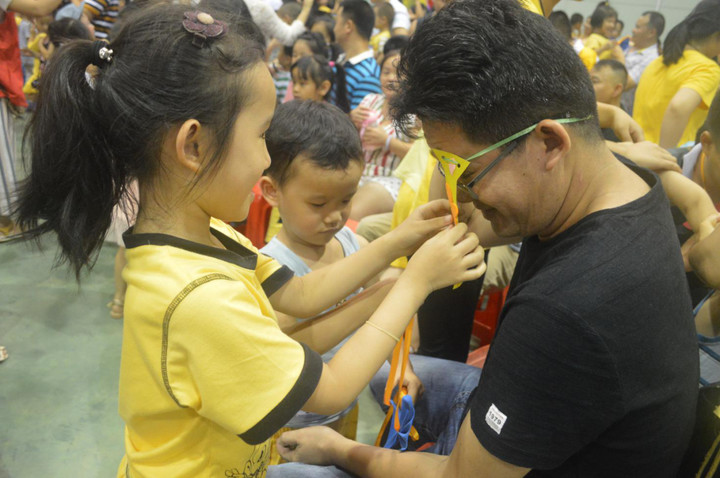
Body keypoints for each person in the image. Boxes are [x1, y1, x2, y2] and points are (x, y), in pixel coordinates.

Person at [12, 4, 484, 476]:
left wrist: (400, 244)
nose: (264, 161)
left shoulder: (202, 234)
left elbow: (301, 295)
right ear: (193, 145)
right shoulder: (198, 297)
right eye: (262, 136)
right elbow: (332, 388)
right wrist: (414, 285)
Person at [274, 0, 699, 476]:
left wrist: (338, 450)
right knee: (381, 377)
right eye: (443, 165)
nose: (459, 193)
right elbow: (457, 226)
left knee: (288, 471)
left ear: (550, 143)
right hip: (552, 420)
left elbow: (462, 475)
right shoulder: (618, 177)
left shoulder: (566, 309)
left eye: (467, 171)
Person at [634, 0, 720, 148]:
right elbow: (678, 107)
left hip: (635, 151)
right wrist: (665, 156)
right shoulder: (707, 69)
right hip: (668, 156)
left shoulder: (658, 62)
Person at [334, 0, 382, 111]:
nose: (334, 28)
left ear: (348, 26)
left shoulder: (368, 75)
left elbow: (361, 121)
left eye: (336, 22)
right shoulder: (342, 60)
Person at [620, 11, 664, 115]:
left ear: (651, 33)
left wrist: (619, 57)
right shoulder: (630, 46)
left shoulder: (652, 59)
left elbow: (625, 84)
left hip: (626, 112)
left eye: (638, 27)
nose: (633, 30)